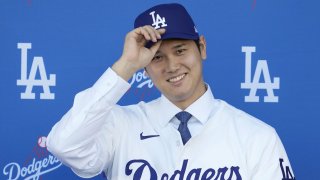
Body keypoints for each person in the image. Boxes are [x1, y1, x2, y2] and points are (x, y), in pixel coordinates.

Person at [47, 3, 295, 180]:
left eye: (180, 50)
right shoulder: (120, 125)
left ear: (202, 48)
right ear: (144, 68)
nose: (172, 66)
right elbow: (63, 144)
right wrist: (126, 65)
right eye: (156, 58)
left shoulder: (257, 136)